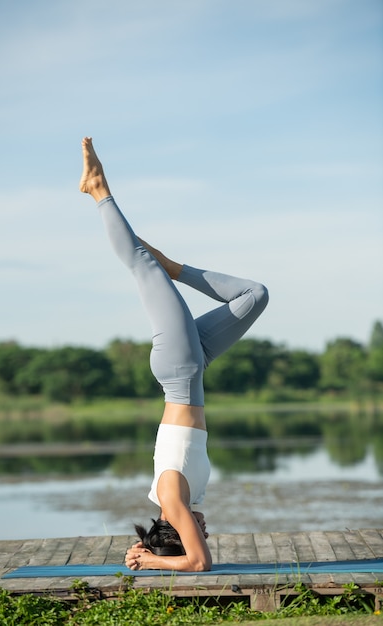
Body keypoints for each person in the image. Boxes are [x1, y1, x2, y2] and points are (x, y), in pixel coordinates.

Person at [79, 137, 269, 571]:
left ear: (179, 535)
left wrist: (149, 559)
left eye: (199, 533)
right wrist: (143, 549)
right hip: (194, 366)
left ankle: (97, 190)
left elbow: (200, 563)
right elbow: (193, 547)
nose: (207, 530)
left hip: (180, 368)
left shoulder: (171, 498)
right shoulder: (187, 498)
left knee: (140, 264)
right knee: (254, 295)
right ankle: (173, 267)